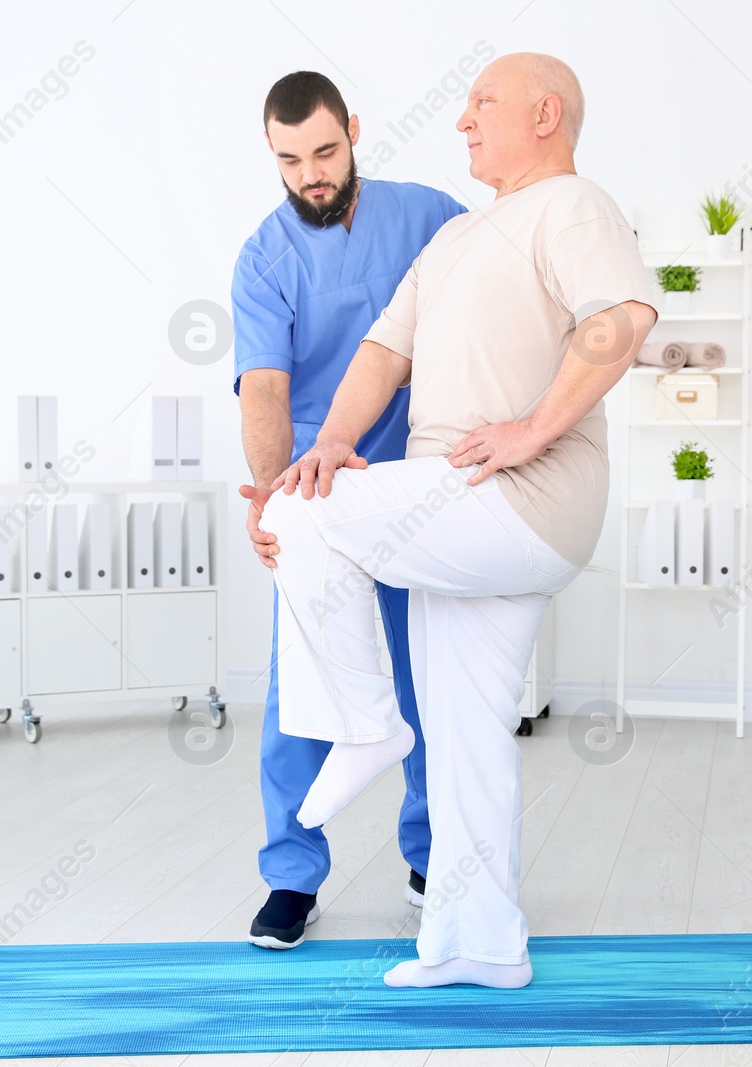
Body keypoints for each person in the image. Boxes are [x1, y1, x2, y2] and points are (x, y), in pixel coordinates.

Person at [258, 52, 659, 988]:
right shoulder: (455, 241)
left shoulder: (571, 205)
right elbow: (379, 353)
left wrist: (533, 428)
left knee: (302, 515)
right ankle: (477, 940)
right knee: (469, 736)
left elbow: (624, 318)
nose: (463, 121)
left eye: (483, 103)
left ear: (546, 114)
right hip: (470, 516)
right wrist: (332, 441)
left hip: (513, 497)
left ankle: (363, 722)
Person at [231, 71, 466, 950]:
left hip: (416, 485)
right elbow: (263, 388)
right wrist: (267, 498)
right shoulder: (265, 257)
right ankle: (292, 873)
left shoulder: (432, 216)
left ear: (355, 132)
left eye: (325, 152)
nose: (311, 175)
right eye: (290, 160)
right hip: (317, 494)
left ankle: (432, 850)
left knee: (423, 673)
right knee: (302, 683)